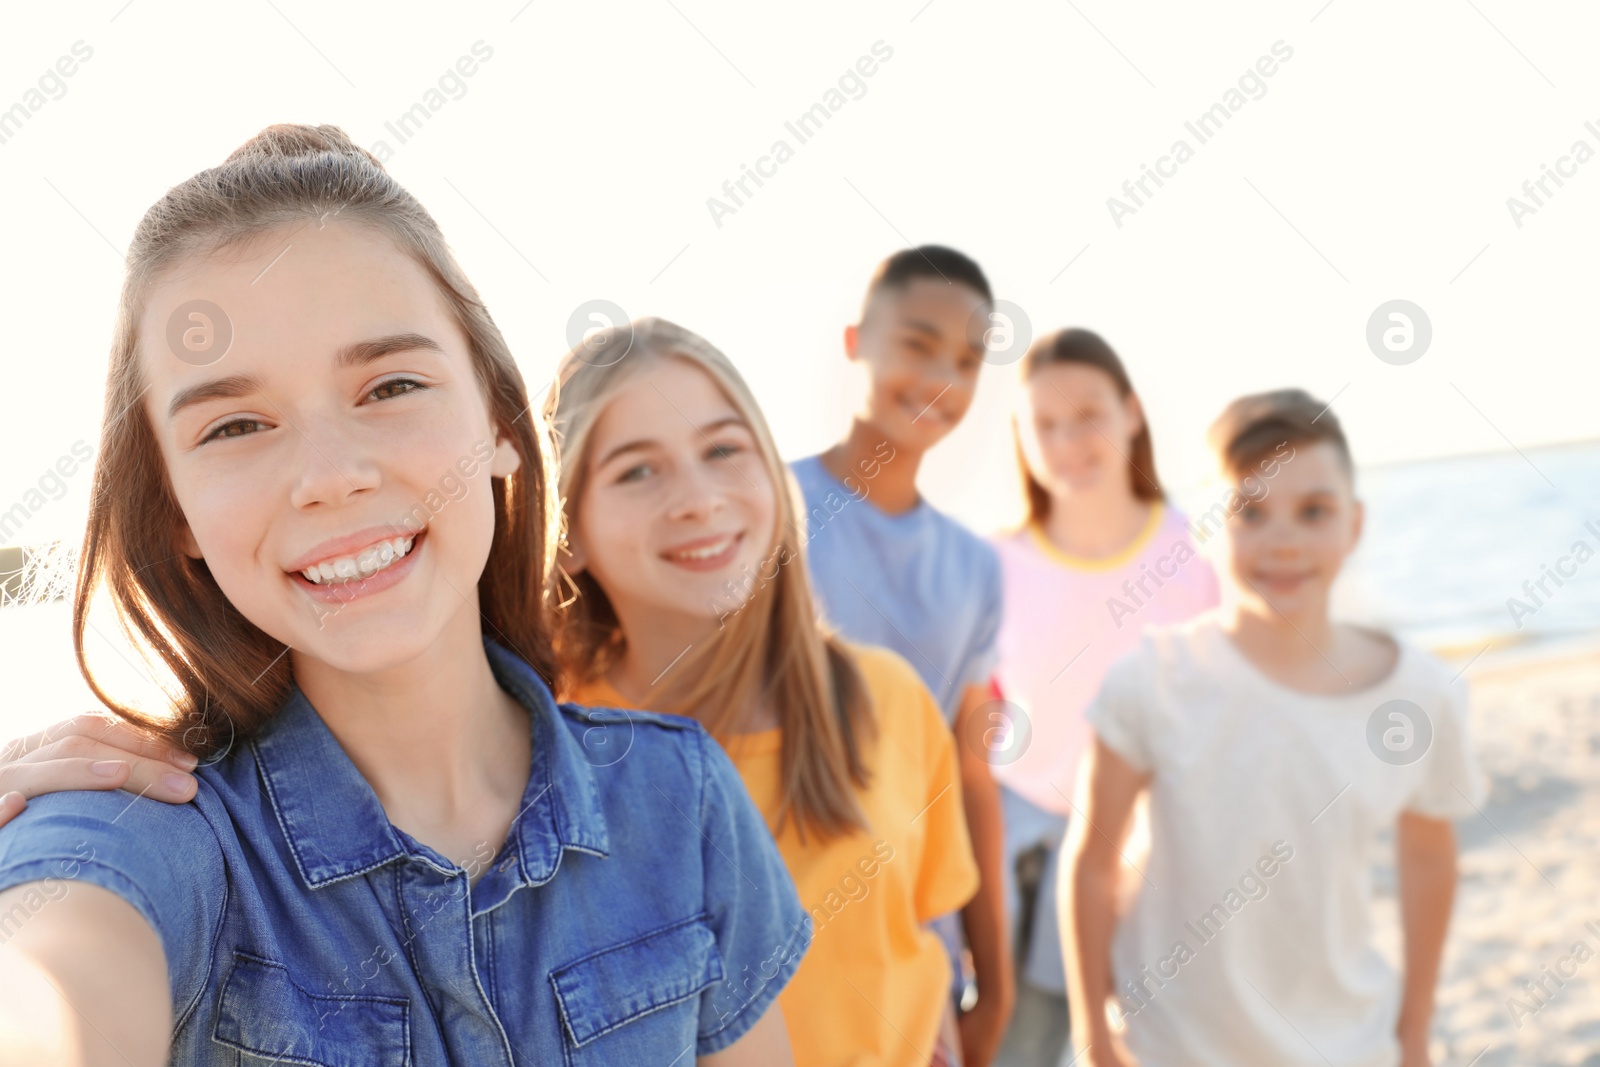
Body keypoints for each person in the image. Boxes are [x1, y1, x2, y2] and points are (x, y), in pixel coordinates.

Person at [0, 126, 804, 1066]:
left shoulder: (682, 800)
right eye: (235, 424)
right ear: (174, 507)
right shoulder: (134, 837)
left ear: (501, 423)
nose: (331, 475)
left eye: (390, 385)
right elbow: (47, 1002)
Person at [547, 316, 980, 1066]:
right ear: (570, 531)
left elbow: (926, 930)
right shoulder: (549, 745)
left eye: (723, 450)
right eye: (637, 470)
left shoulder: (886, 696)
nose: (699, 499)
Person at [1063, 390, 1483, 1066]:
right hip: (1171, 1045)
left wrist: (1414, 1031)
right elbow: (1091, 860)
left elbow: (1430, 855)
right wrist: (1093, 1035)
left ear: (1354, 524)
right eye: (1250, 512)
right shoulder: (1152, 680)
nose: (1283, 538)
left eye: (1313, 511)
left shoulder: (1418, 694)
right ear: (1205, 528)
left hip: (1346, 1044)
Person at [790, 246, 1013, 1067]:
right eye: (918, 344)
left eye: (967, 359)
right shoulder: (768, 507)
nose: (941, 378)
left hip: (917, 958)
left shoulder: (975, 568)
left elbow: (971, 770)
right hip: (780, 945)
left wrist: (997, 975)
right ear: (857, 340)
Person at [986, 329, 1218, 1065]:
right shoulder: (992, 563)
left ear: (1132, 412)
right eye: (1043, 423)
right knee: (1020, 1047)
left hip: (1160, 844)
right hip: (1028, 843)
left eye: (1088, 414)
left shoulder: (1200, 553)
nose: (1068, 441)